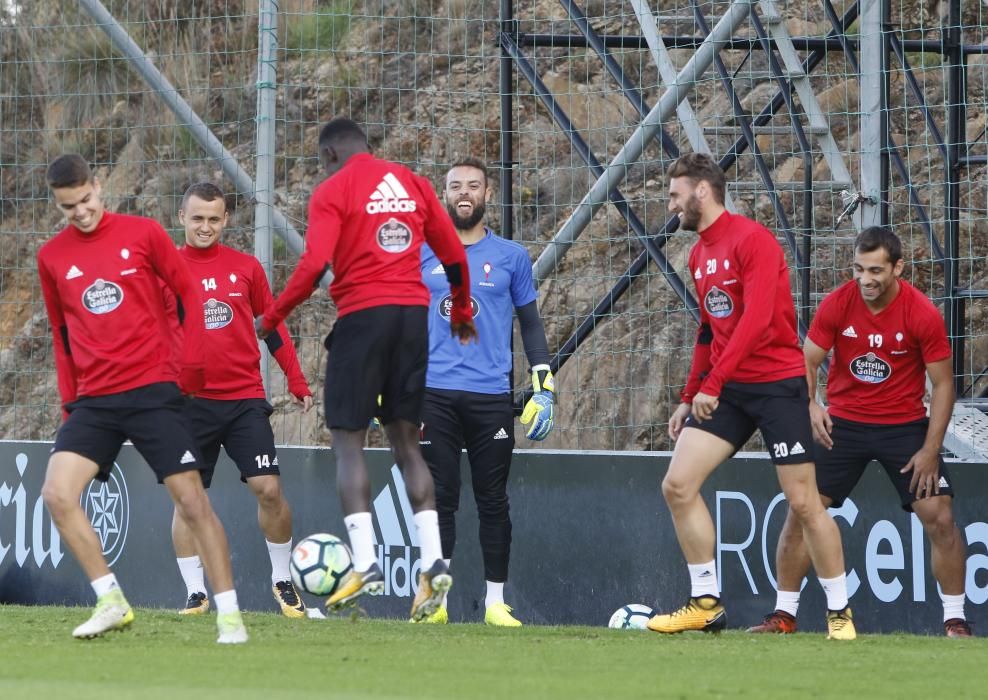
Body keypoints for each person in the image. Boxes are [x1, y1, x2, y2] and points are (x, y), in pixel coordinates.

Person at [256, 118, 477, 621]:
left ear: (329, 153)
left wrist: (270, 317)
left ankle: (366, 562)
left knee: (349, 442)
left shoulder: (334, 188)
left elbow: (313, 265)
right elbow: (452, 255)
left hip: (362, 320)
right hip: (413, 321)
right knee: (405, 444)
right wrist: (461, 310)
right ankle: (433, 562)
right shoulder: (415, 183)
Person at [36, 154, 247, 644]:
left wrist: (189, 366)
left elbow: (189, 293)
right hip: (94, 401)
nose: (82, 212)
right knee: (57, 494)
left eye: (86, 200)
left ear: (99, 184)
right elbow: (61, 335)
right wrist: (71, 403)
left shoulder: (144, 233)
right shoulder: (52, 257)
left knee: (193, 501)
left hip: (153, 391)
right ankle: (111, 600)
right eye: (70, 207)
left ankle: (230, 615)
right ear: (57, 203)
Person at [647, 152, 855, 640]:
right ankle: (705, 603)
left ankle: (840, 613)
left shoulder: (753, 241)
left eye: (676, 195)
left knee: (803, 502)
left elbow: (758, 321)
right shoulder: (698, 254)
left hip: (777, 386)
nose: (671, 205)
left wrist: (713, 385)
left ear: (702, 191)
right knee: (677, 485)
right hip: (728, 388)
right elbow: (708, 329)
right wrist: (689, 393)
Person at [749, 226, 973, 637]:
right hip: (844, 427)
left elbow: (943, 385)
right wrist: (811, 404)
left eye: (875, 271)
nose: (865, 280)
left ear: (898, 268)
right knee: (800, 509)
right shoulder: (838, 303)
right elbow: (807, 360)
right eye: (858, 269)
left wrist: (930, 449)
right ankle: (783, 615)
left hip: (903, 428)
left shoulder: (921, 312)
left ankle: (955, 621)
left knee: (940, 517)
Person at [164, 182, 314, 618]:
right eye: (197, 218)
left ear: (226, 219)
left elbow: (273, 326)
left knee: (268, 489)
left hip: (244, 397)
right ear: (181, 218)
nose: (205, 226)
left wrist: (297, 379)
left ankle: (282, 579)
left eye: (214, 219)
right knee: (187, 499)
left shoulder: (246, 268)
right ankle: (195, 593)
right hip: (188, 402)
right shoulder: (165, 268)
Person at [415, 158, 555, 627]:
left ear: (488, 194)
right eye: (455, 186)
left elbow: (532, 327)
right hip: (433, 394)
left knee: (493, 499)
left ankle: (495, 602)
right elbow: (401, 325)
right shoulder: (421, 254)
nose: (464, 193)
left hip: (491, 396)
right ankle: (435, 602)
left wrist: (543, 384)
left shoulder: (512, 256)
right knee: (440, 497)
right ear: (443, 195)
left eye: (473, 186)